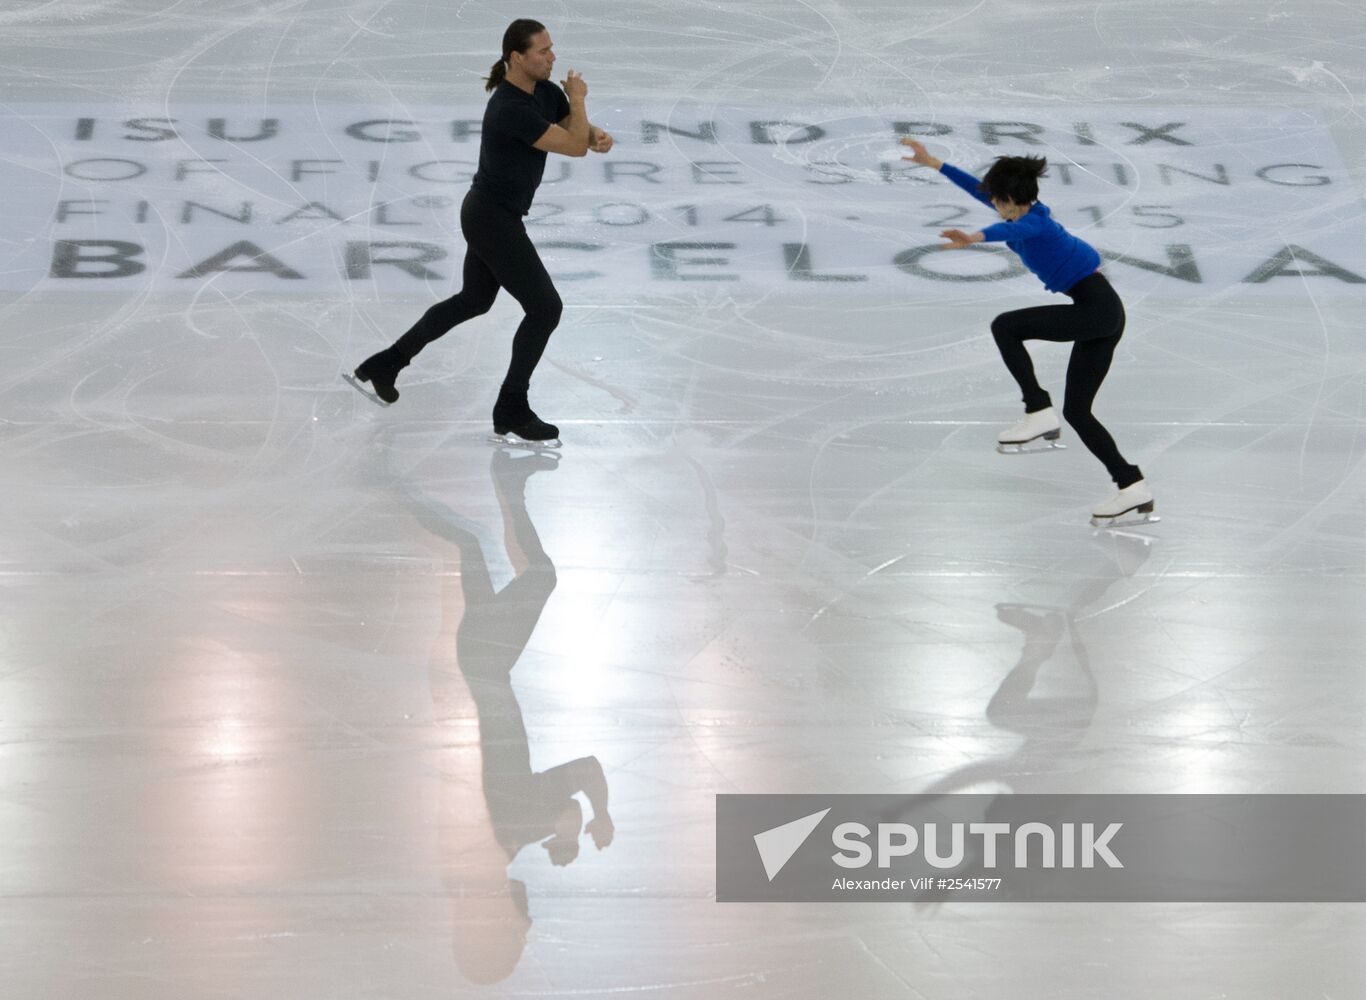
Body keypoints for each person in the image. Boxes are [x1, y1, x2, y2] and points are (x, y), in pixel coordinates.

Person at [346, 19, 614, 446]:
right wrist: (581, 106)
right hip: (492, 218)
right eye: (543, 51)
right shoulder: (509, 108)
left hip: (491, 213)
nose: (552, 57)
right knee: (545, 308)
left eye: (551, 48)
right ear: (516, 58)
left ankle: (386, 363)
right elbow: (572, 145)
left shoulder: (543, 91)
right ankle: (511, 406)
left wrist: (595, 131)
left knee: (473, 300)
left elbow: (574, 130)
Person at [901, 138, 1155, 527]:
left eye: (996, 199)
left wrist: (973, 238)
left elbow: (997, 230)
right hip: (1101, 312)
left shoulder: (1035, 223)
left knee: (1006, 326)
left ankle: (1036, 408)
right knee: (1077, 412)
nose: (991, 202)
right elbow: (979, 190)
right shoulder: (1020, 210)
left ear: (1008, 200)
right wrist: (936, 164)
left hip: (1097, 310)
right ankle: (1132, 486)